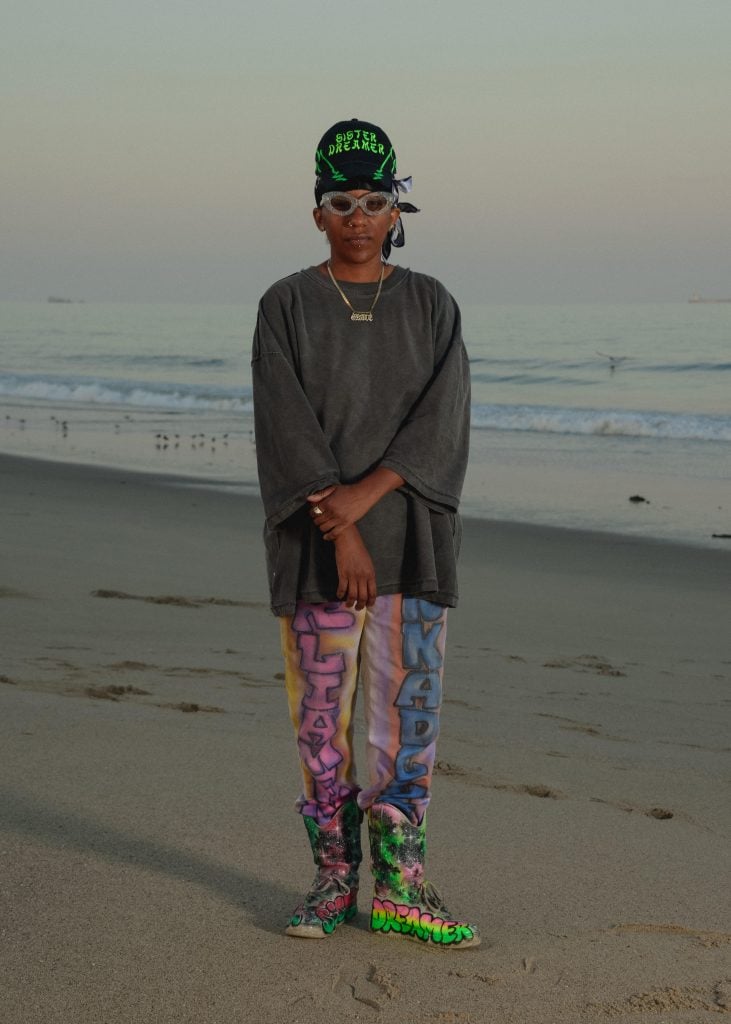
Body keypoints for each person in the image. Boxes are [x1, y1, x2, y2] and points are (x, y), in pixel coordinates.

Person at [251, 118, 478, 949]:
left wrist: (368, 498)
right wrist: (337, 526)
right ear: (317, 213)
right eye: (340, 201)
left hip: (412, 546)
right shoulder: (286, 304)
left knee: (405, 718)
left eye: (374, 201)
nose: (357, 216)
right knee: (321, 720)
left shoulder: (429, 303)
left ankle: (403, 887)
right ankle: (331, 881)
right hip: (318, 551)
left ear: (396, 212)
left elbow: (442, 420)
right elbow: (285, 425)